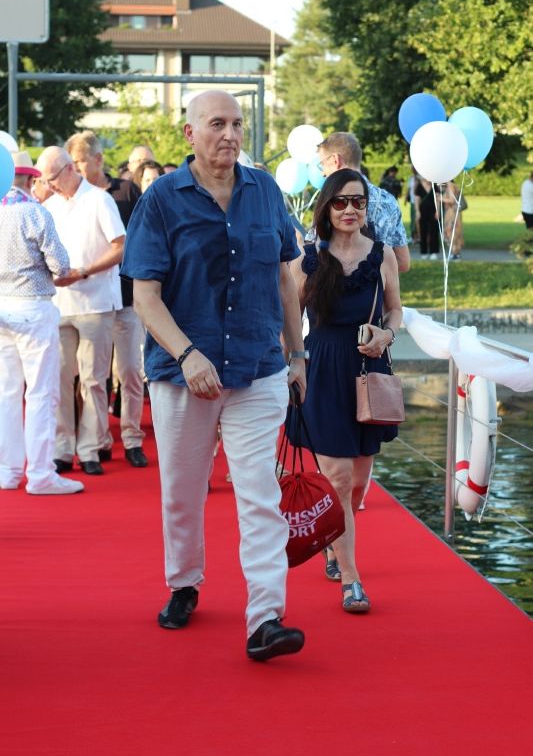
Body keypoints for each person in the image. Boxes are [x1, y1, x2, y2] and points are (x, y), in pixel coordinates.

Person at [121, 89, 307, 662]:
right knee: (182, 493)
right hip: (183, 376)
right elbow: (145, 296)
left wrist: (298, 355)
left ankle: (266, 618)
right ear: (190, 133)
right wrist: (186, 354)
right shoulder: (161, 199)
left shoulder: (265, 191)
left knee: (260, 494)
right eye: (217, 123)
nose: (230, 134)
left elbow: (284, 280)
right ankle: (184, 582)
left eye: (237, 124)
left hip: (258, 368)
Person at [289, 169, 402, 612]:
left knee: (356, 483)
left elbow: (395, 310)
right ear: (326, 207)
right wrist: (293, 361)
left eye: (358, 202)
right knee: (336, 478)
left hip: (366, 371)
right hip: (322, 370)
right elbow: (288, 316)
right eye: (340, 202)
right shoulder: (308, 258)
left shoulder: (382, 254)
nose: (350, 210)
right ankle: (352, 580)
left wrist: (386, 335)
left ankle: (335, 540)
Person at [35, 146, 126, 476]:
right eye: (45, 180)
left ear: (70, 168)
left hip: (96, 303)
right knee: (59, 379)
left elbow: (121, 246)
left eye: (53, 178)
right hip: (59, 304)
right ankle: (63, 448)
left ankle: (90, 448)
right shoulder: (49, 206)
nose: (50, 185)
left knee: (93, 380)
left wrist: (84, 271)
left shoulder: (99, 200)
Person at [0, 152, 85, 495]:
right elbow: (60, 265)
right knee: (40, 394)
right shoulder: (35, 212)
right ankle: (40, 474)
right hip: (33, 307)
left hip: (3, 308)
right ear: (30, 178)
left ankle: (8, 470)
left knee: (7, 394)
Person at [64, 131, 148, 468]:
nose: (76, 168)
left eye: (80, 162)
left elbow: (142, 236)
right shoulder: (70, 198)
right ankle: (99, 441)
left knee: (129, 372)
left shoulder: (126, 191)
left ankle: (132, 438)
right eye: (72, 163)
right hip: (87, 302)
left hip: (126, 298)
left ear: (98, 159)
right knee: (92, 376)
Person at [316, 133, 410, 272]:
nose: (323, 173)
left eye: (322, 164)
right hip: (379, 285)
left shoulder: (331, 199)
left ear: (336, 160)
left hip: (333, 283)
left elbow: (313, 256)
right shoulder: (388, 200)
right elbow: (403, 262)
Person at [415, 177, 440, 260]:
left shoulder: (434, 186)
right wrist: (417, 211)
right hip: (422, 211)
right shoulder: (419, 186)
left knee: (434, 231)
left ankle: (434, 252)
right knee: (423, 232)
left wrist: (438, 211)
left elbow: (437, 200)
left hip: (433, 212)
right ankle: (424, 252)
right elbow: (416, 200)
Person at [441, 181, 464, 260]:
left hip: (452, 213)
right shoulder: (451, 186)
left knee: (451, 232)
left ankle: (455, 252)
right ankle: (455, 252)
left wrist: (440, 198)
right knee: (453, 232)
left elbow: (452, 200)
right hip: (452, 212)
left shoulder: (450, 186)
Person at [404, 166, 419, 243]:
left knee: (417, 219)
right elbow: (409, 189)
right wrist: (406, 198)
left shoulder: (420, 178)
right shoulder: (411, 178)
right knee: (413, 219)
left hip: (419, 202)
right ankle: (413, 237)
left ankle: (418, 236)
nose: (413, 170)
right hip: (413, 201)